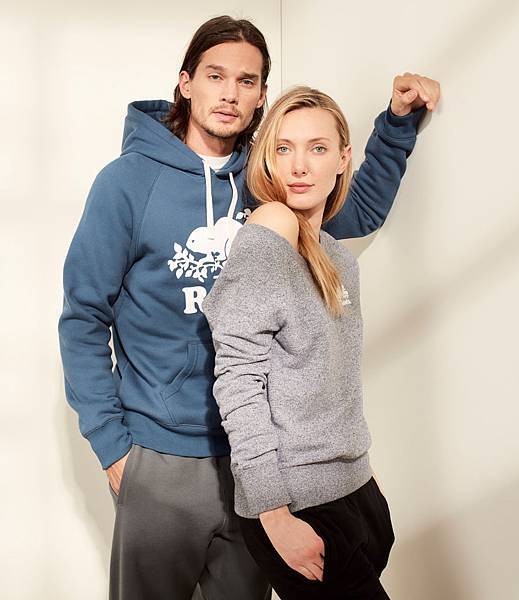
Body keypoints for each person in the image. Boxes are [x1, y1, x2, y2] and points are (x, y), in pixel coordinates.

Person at [58, 14, 440, 600]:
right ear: (186, 82)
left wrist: (397, 123)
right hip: (160, 455)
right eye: (216, 76)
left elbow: (353, 209)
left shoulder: (268, 184)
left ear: (262, 94)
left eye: (247, 81)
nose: (230, 94)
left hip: (258, 461)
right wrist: (113, 447)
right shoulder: (127, 184)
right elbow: (84, 317)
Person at [202, 85, 397, 600]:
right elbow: (238, 380)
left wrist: (365, 478)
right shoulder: (269, 230)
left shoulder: (339, 258)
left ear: (343, 159)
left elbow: (334, 379)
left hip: (355, 490)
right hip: (298, 504)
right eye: (284, 148)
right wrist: (273, 513)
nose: (299, 166)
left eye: (317, 148)